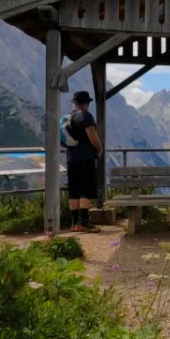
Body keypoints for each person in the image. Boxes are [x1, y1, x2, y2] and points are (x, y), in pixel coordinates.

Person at [65, 91, 103, 233]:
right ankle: (84, 222)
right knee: (86, 191)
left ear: (75, 103)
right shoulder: (85, 116)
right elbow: (92, 136)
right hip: (85, 158)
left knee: (74, 192)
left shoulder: (69, 117)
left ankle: (74, 223)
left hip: (71, 159)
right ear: (86, 103)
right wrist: (99, 148)